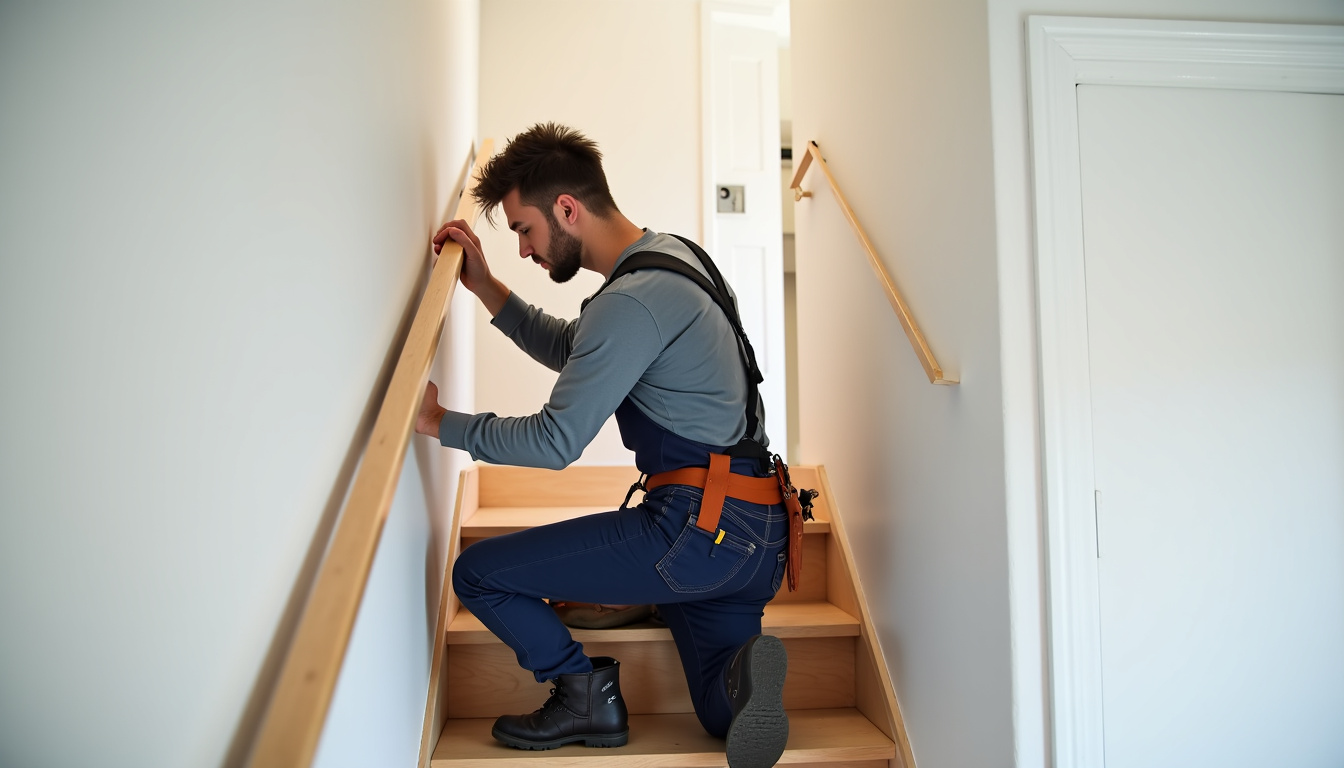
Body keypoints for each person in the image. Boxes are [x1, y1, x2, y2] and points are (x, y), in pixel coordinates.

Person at [415, 123, 791, 768]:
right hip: (756, 532)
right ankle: (741, 676)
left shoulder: (630, 303)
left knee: (478, 573)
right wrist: (483, 286)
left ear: (567, 208)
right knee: (714, 709)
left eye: (525, 232)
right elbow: (576, 349)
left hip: (694, 531)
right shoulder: (676, 258)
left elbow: (555, 441)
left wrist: (442, 423)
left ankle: (584, 692)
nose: (526, 252)